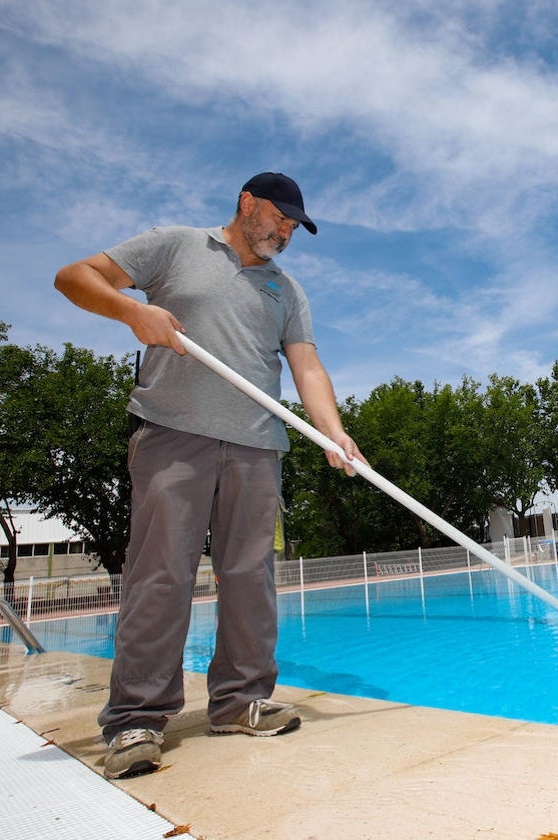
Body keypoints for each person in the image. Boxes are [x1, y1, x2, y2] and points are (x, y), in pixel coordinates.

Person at [54, 172, 364, 779]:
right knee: (161, 574)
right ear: (247, 202)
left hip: (257, 448)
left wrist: (334, 429)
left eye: (295, 225)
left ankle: (241, 701)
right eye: (280, 216)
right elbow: (74, 277)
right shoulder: (175, 245)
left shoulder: (286, 289)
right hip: (173, 435)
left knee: (251, 577)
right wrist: (131, 311)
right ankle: (135, 718)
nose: (286, 230)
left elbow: (307, 366)